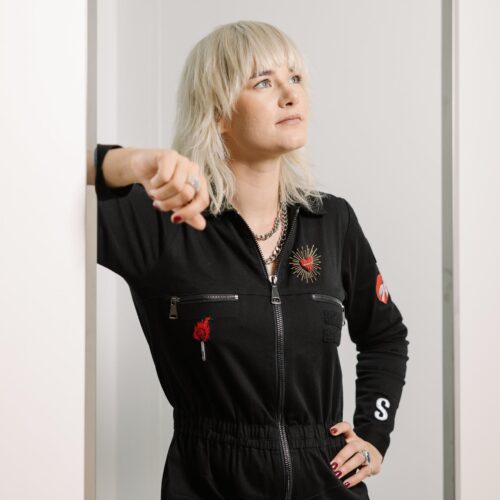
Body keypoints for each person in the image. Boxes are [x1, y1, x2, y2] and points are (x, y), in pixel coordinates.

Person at [90, 20, 409, 500]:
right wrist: (131, 163)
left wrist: (373, 434)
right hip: (209, 484)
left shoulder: (332, 221)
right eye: (263, 82)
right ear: (218, 113)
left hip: (327, 484)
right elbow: (34, 174)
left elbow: (385, 335)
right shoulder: (163, 222)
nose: (290, 95)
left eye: (295, 78)